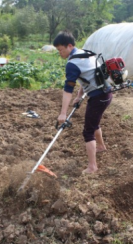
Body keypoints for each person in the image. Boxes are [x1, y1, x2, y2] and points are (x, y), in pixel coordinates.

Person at [53, 30, 112, 174]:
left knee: (88, 131)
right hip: (105, 93)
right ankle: (101, 146)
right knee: (94, 122)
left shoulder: (72, 63)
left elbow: (68, 90)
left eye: (61, 50)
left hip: (99, 97)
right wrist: (80, 95)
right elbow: (87, 76)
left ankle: (92, 167)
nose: (60, 53)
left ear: (69, 46)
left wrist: (63, 113)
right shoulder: (85, 53)